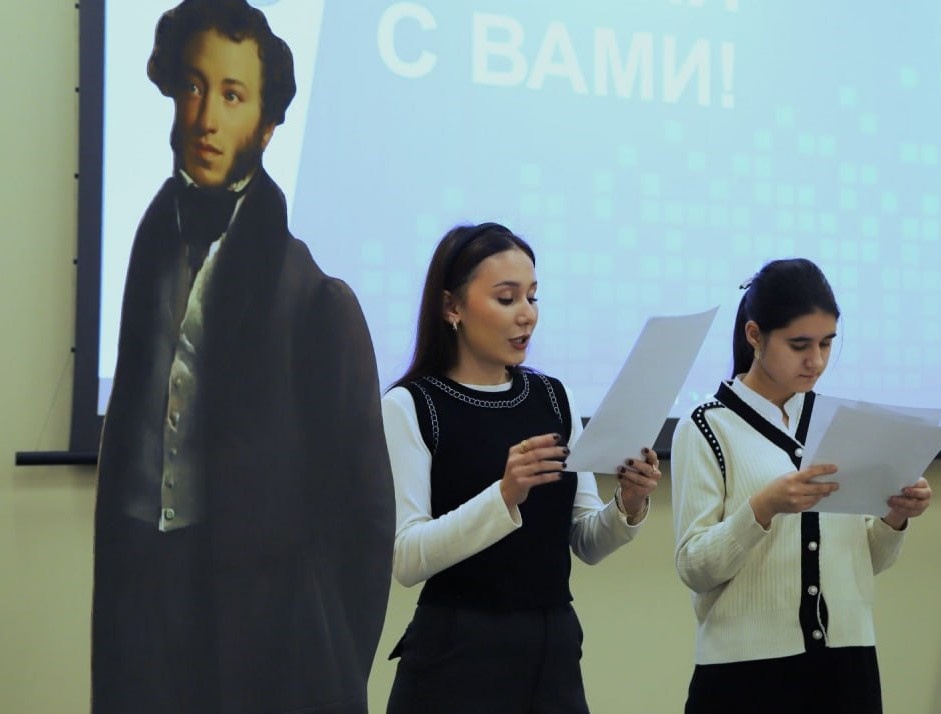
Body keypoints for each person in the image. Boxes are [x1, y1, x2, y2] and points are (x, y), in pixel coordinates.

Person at [91, 2, 394, 712]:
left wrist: (331, 658)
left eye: (232, 95)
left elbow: (367, 518)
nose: (207, 118)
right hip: (142, 602)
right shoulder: (149, 246)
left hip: (253, 626)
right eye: (194, 86)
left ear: (265, 123)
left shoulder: (315, 299)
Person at [381, 222, 662, 713]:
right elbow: (407, 558)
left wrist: (629, 504)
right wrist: (503, 496)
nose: (527, 314)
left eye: (532, 297)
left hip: (552, 653)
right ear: (451, 307)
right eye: (506, 298)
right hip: (456, 655)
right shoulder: (412, 406)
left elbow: (587, 542)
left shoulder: (553, 397)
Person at [670, 258, 933, 714]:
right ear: (755, 335)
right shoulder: (707, 427)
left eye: (827, 343)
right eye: (799, 345)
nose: (817, 361)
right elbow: (694, 568)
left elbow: (866, 561)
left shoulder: (841, 423)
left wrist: (895, 517)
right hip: (746, 675)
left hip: (847, 666)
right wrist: (762, 508)